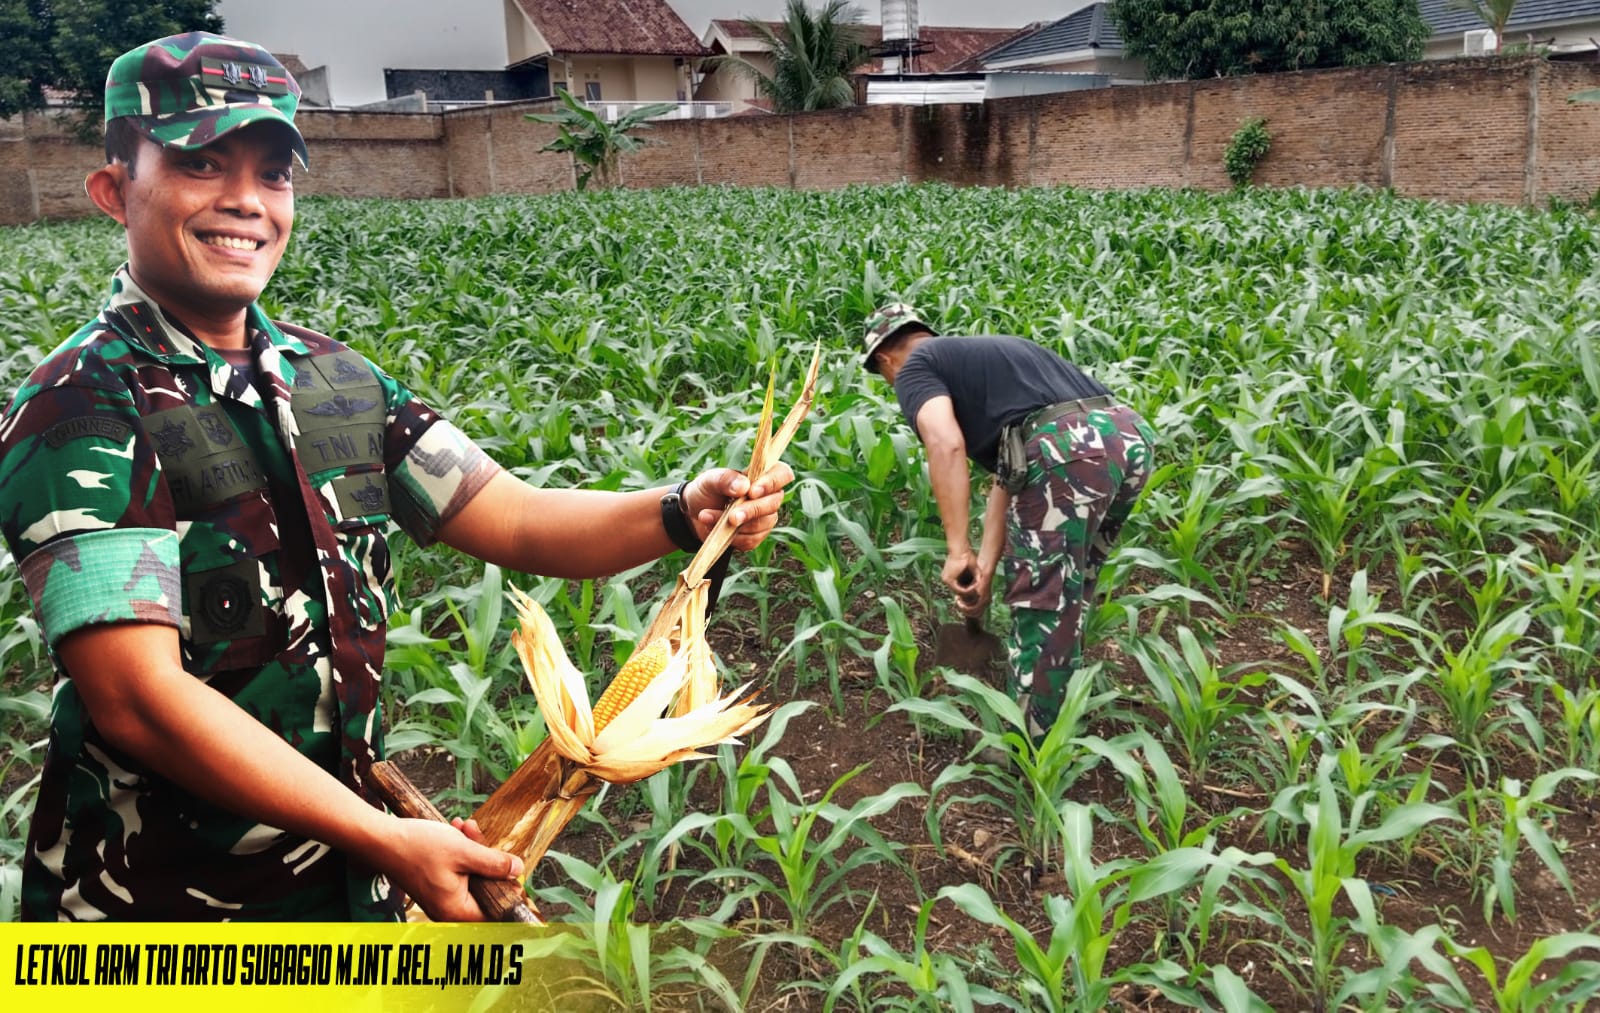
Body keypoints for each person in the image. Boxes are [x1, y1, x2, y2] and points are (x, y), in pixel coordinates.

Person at [0, 32, 792, 922]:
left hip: (344, 889)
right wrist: (382, 837)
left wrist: (684, 511)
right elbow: (139, 697)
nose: (245, 202)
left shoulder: (335, 382)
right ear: (115, 189)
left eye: (273, 173)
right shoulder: (81, 406)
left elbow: (515, 517)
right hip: (157, 909)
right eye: (200, 163)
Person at [861, 303, 1155, 740]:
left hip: (1066, 449)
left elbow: (945, 444)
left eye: (885, 377)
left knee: (1042, 600)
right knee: (1070, 587)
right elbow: (1009, 478)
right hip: (1128, 437)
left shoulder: (914, 367)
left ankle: (1030, 743)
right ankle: (1063, 703)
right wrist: (984, 567)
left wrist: (957, 548)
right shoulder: (993, 358)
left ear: (884, 358)